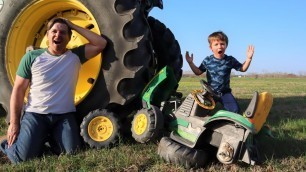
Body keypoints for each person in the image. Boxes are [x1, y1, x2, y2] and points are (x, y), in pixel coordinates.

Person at [0, 17, 107, 164]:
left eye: (63, 32)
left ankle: (43, 139)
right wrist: (14, 123)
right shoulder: (32, 57)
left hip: (63, 117)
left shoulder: (75, 56)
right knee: (22, 158)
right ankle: (6, 144)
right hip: (36, 115)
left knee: (72, 153)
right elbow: (18, 91)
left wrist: (72, 25)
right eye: (54, 31)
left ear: (69, 38)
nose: (58, 35)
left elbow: (101, 43)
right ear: (47, 35)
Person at [186, 31, 254, 113]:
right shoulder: (207, 60)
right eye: (216, 44)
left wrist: (248, 59)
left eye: (222, 44)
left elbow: (242, 69)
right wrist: (190, 63)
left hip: (225, 93)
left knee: (235, 111)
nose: (220, 46)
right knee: (199, 112)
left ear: (226, 46)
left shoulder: (230, 60)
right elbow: (198, 72)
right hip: (210, 93)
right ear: (211, 47)